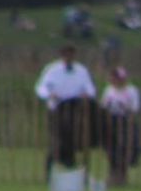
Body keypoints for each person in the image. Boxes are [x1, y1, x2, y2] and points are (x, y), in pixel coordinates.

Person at [34, 42, 97, 176]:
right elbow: (41, 88)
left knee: (73, 139)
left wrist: (87, 94)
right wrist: (49, 94)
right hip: (57, 109)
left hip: (76, 109)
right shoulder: (52, 70)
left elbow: (90, 89)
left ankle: (70, 166)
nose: (68, 56)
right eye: (66, 53)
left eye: (71, 53)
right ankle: (51, 167)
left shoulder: (81, 70)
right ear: (61, 55)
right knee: (58, 140)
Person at [100, 66, 141, 186]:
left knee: (124, 147)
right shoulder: (109, 90)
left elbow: (135, 107)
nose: (115, 80)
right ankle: (114, 172)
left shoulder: (131, 90)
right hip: (111, 121)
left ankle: (122, 174)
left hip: (125, 121)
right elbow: (104, 105)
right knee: (111, 147)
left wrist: (125, 108)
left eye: (118, 78)